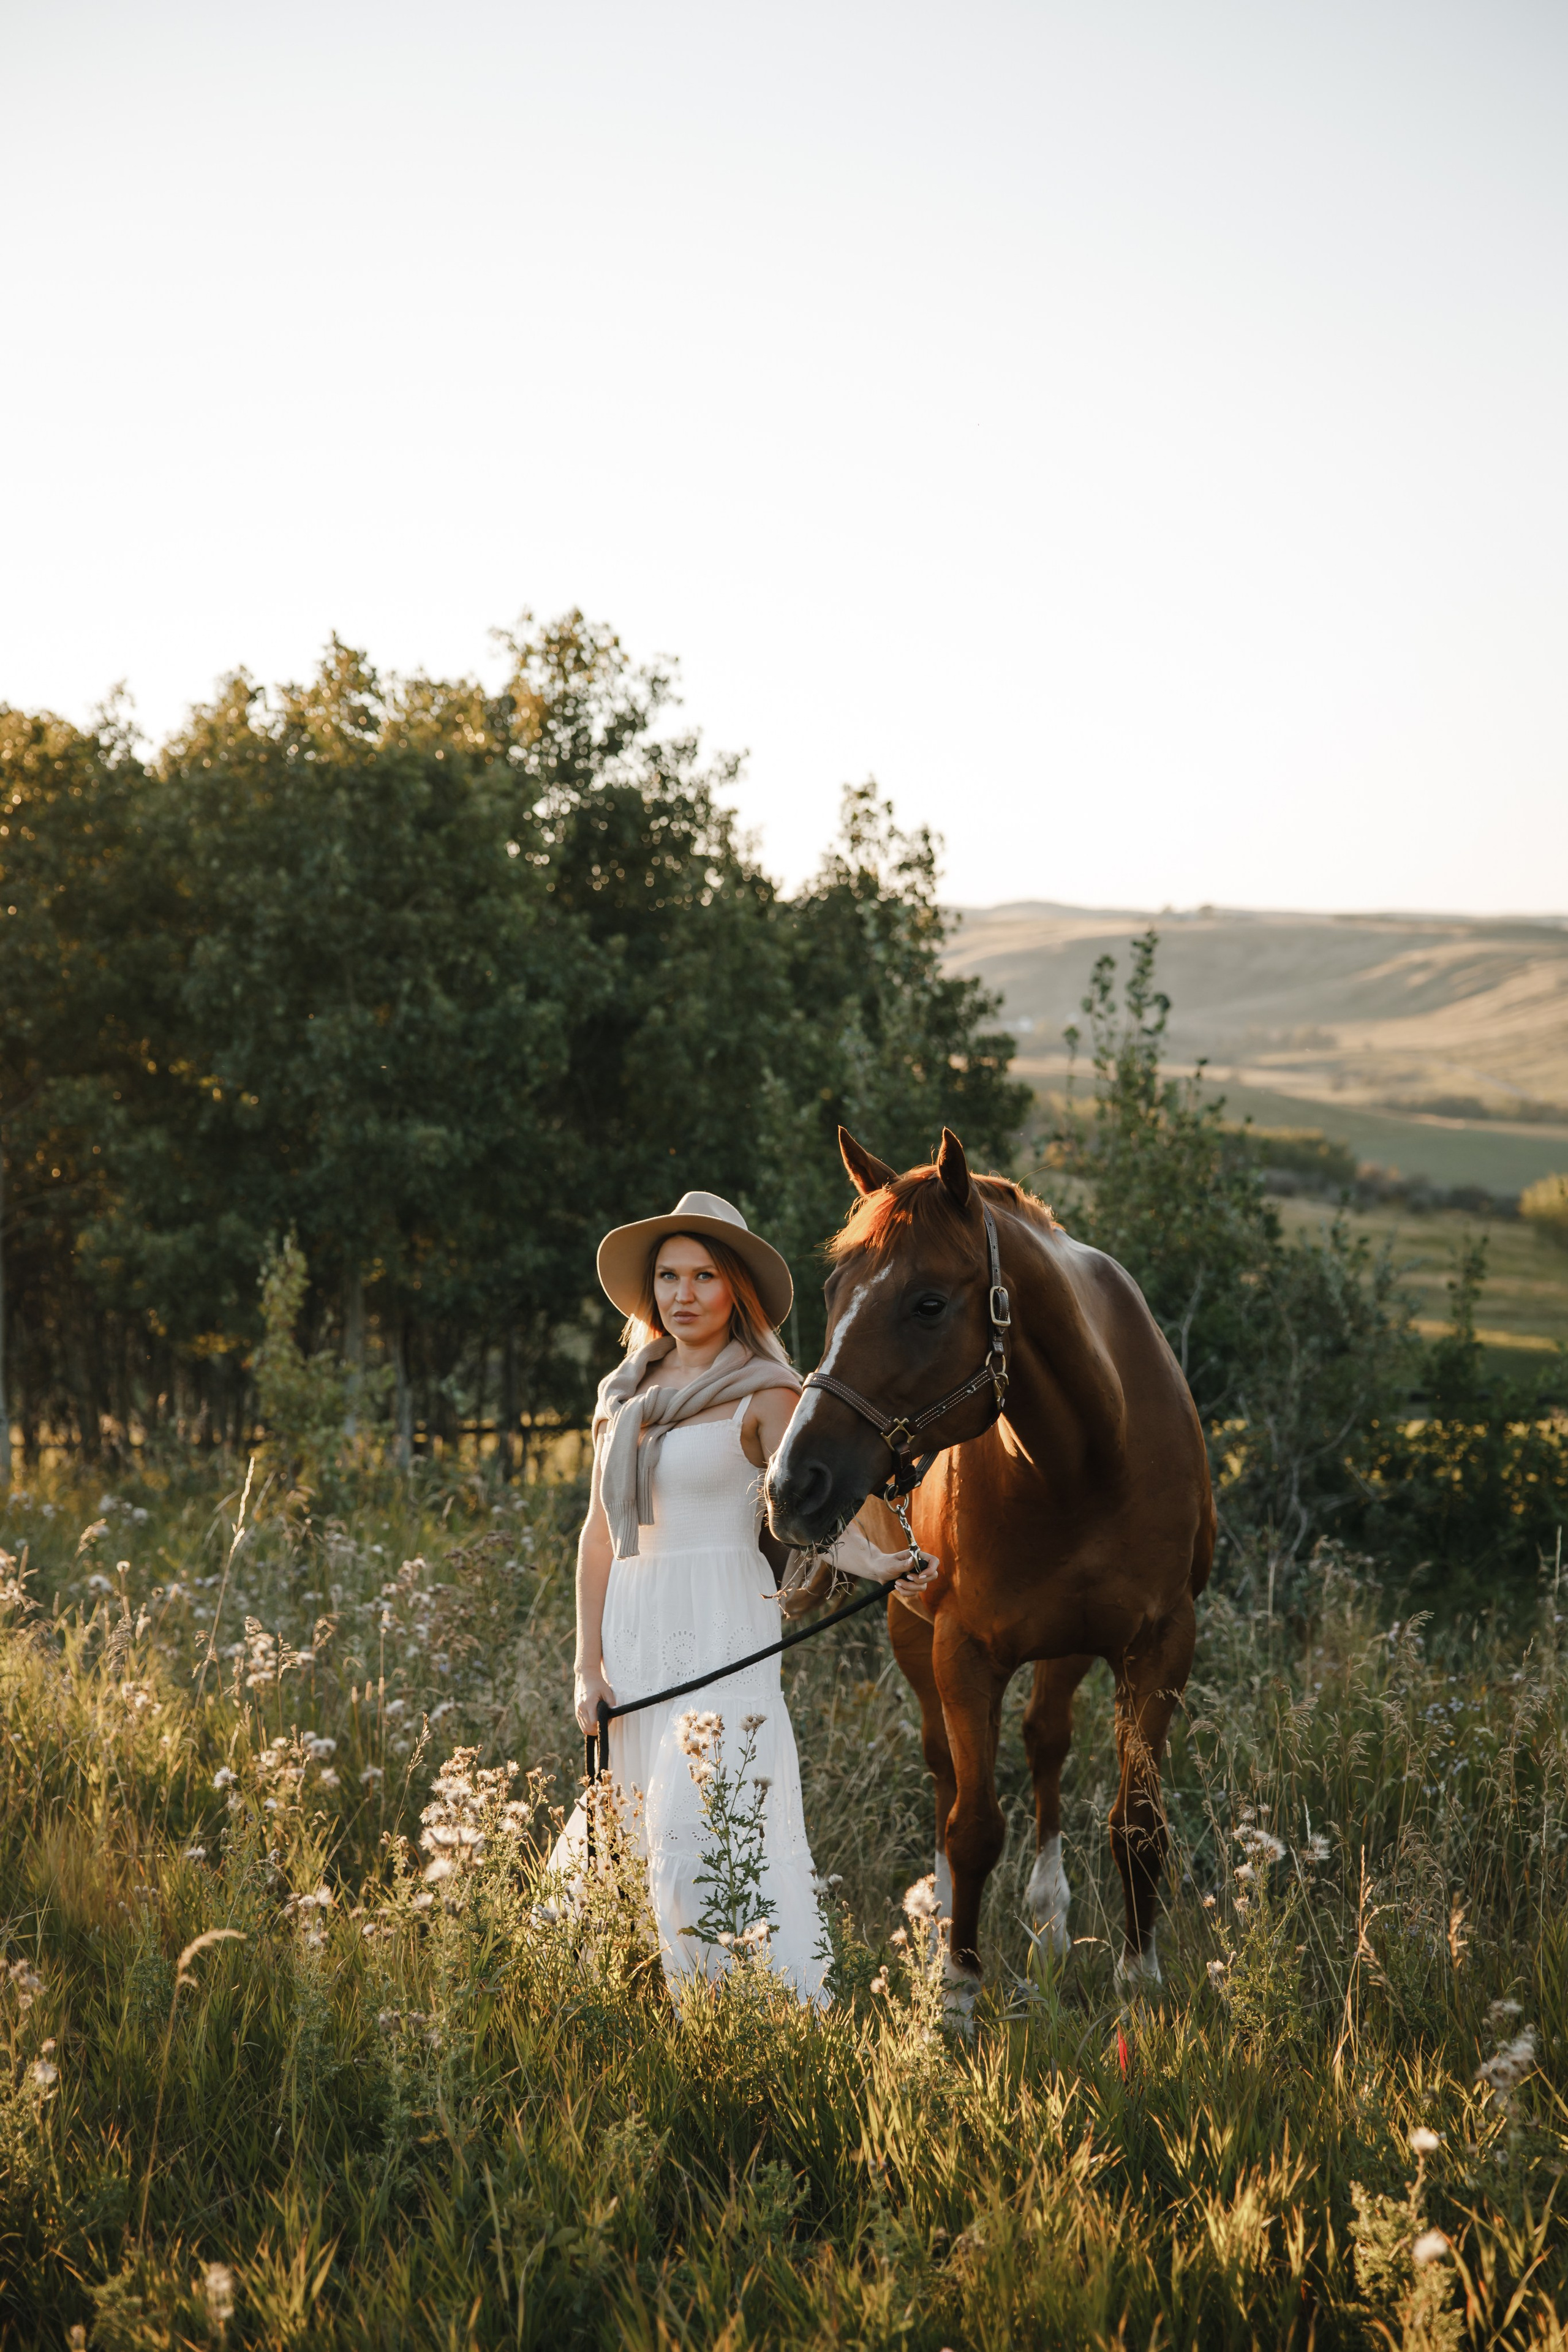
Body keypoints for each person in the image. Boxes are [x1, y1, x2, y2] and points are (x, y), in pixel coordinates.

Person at [552, 1189, 935, 2002]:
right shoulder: (624, 1395)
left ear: (737, 1291)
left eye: (704, 1277)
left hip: (724, 1625)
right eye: (668, 1277)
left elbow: (811, 1518)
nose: (683, 1295)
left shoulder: (770, 1392)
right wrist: (587, 1668)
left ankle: (742, 2016)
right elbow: (597, 1537)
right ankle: (625, 2013)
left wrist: (882, 1565)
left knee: (699, 1835)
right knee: (624, 1834)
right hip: (634, 1629)